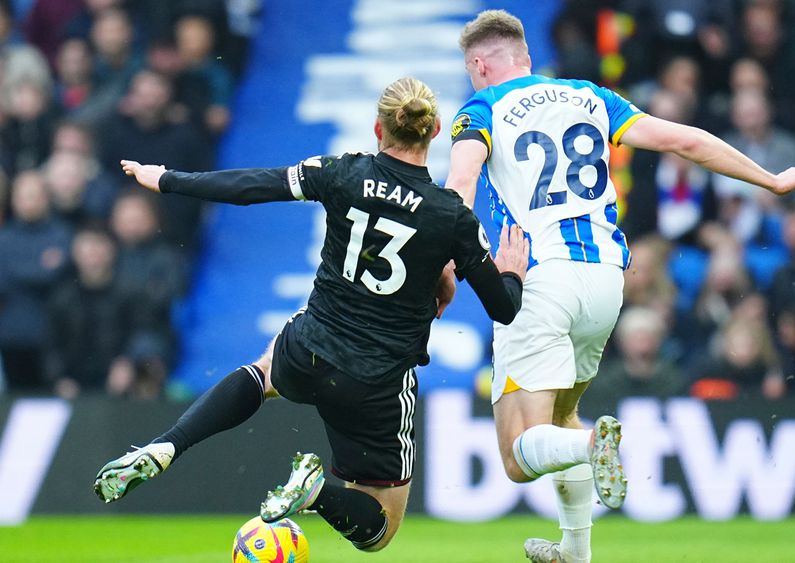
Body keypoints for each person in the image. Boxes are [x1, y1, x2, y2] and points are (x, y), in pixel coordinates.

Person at [444, 10, 795, 563]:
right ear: (525, 58)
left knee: (518, 456)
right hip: (605, 284)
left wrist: (445, 261)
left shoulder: (481, 108)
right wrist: (769, 178)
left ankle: (591, 444)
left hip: (542, 280)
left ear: (480, 64)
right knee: (561, 415)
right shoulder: (589, 95)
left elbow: (460, 183)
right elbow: (682, 140)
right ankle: (576, 550)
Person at [93, 77, 529, 553]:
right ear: (437, 130)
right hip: (375, 381)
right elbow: (502, 309)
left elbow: (254, 186)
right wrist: (511, 275)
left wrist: (170, 179)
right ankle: (317, 493)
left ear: (378, 129)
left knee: (263, 374)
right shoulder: (451, 217)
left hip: (311, 347)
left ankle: (169, 444)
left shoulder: (341, 172)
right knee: (379, 530)